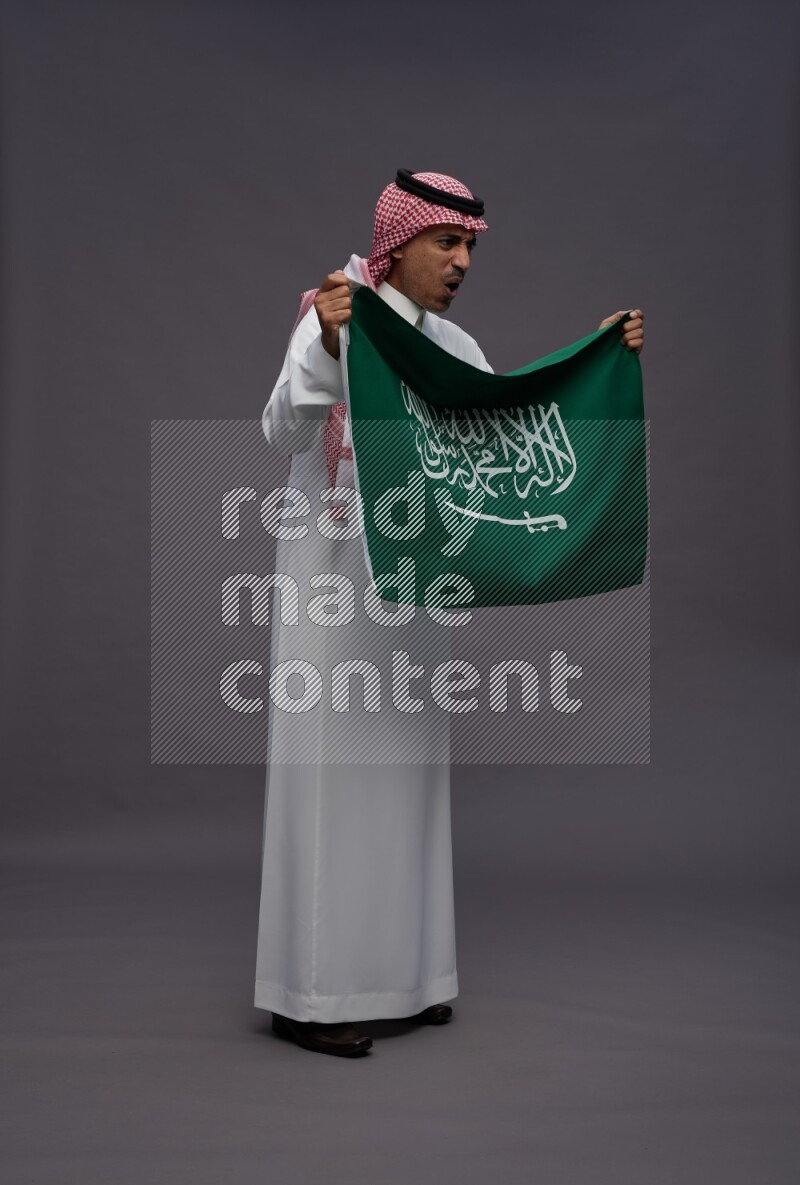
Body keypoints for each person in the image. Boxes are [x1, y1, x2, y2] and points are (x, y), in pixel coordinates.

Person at [255, 170, 644, 1057]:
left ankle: (412, 975)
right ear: (401, 243)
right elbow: (280, 430)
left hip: (418, 582)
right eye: (448, 243)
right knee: (333, 783)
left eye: (471, 246)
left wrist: (596, 360)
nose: (463, 261)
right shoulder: (340, 310)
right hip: (333, 575)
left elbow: (506, 437)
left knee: (407, 773)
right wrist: (320, 338)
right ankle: (309, 996)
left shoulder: (454, 344)